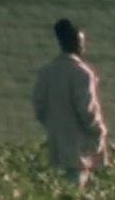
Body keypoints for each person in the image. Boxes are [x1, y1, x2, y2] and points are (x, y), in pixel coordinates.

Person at [32, 18, 110, 183]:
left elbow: (39, 106)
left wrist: (53, 125)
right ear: (74, 43)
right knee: (77, 182)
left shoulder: (47, 72)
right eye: (80, 42)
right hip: (80, 143)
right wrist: (99, 130)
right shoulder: (82, 73)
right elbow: (87, 109)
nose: (83, 46)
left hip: (56, 141)